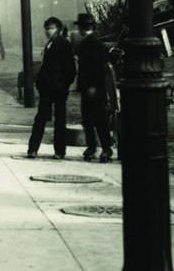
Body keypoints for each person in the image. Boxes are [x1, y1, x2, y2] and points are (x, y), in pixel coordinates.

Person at [27, 16, 76, 159]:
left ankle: (58, 151)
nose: (48, 31)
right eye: (47, 28)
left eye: (52, 28)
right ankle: (34, 149)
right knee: (42, 119)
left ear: (58, 29)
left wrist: (63, 85)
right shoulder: (50, 44)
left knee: (58, 120)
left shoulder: (63, 44)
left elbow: (70, 69)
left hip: (58, 89)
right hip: (47, 89)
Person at [74, 13, 112, 163]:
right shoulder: (95, 42)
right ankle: (99, 148)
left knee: (95, 120)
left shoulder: (89, 43)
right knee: (93, 120)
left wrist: (92, 86)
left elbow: (96, 69)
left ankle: (101, 148)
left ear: (82, 28)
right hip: (93, 88)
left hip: (93, 89)